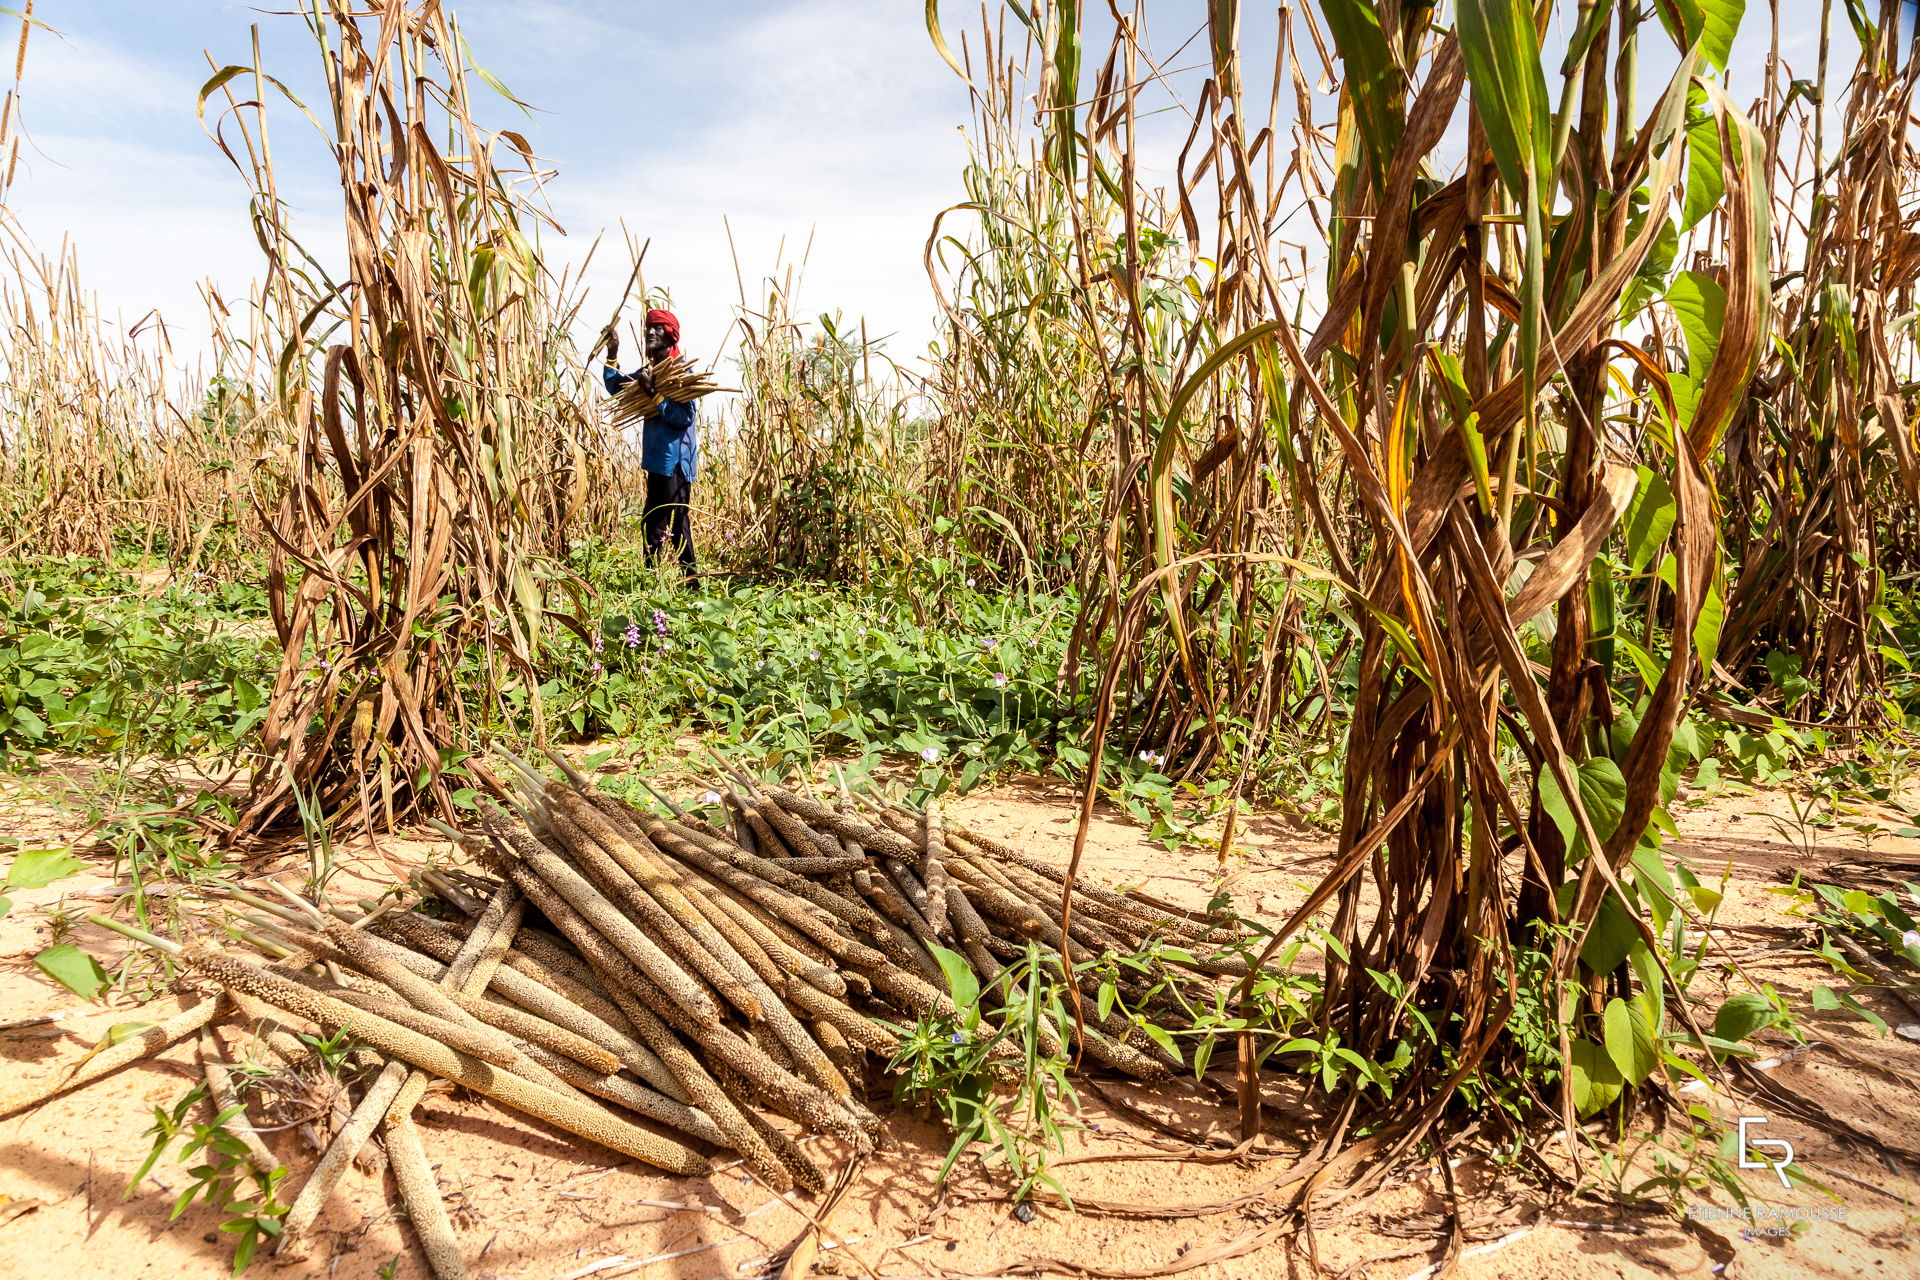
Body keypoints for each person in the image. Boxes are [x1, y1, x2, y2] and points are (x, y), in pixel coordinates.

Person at [603, 308, 698, 580]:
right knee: (652, 522)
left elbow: (684, 416)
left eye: (657, 328)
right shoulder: (648, 372)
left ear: (670, 335)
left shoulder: (680, 372)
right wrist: (613, 353)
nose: (650, 332)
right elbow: (619, 387)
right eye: (648, 327)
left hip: (676, 460)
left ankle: (692, 582)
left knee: (678, 523)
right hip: (657, 459)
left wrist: (654, 395)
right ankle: (649, 578)